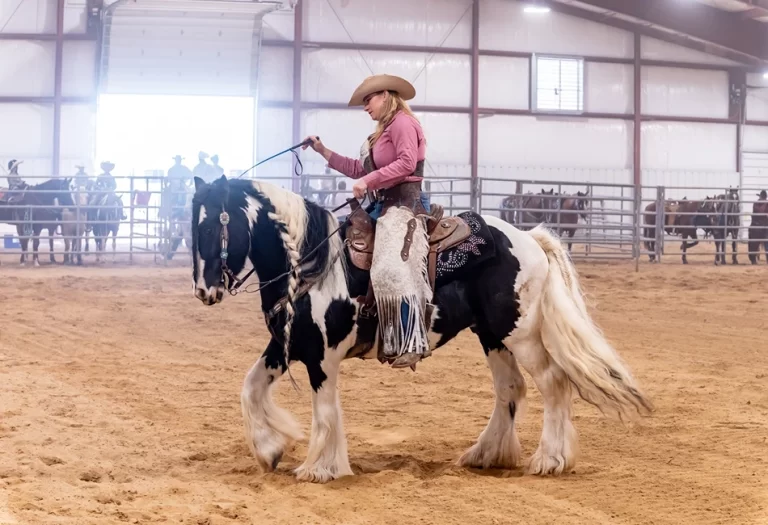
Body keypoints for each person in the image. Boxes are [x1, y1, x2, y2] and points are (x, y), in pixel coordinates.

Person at [302, 74, 431, 369]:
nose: (365, 108)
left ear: (385, 95)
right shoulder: (381, 132)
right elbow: (357, 167)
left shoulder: (403, 123)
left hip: (405, 203)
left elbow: (407, 163)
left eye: (368, 100)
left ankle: (412, 340)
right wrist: (323, 150)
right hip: (383, 204)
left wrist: (368, 180)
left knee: (390, 266)